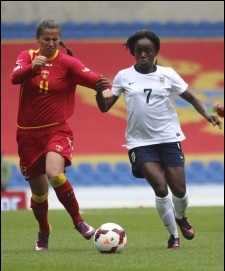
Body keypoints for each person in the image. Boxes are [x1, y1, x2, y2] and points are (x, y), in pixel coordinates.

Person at [96, 30, 222, 250]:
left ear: (156, 53)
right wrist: (99, 93)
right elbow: (105, 107)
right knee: (161, 188)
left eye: (148, 51)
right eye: (138, 52)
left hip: (168, 138)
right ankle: (173, 236)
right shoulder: (124, 76)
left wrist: (206, 114)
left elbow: (191, 97)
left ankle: (181, 217)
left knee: (179, 191)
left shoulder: (168, 74)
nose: (143, 55)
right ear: (133, 54)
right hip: (140, 142)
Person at [10, 19, 110, 251]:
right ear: (38, 40)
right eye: (47, 39)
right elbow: (14, 78)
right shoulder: (27, 56)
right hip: (27, 136)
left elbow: (96, 81)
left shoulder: (68, 64)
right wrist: (33, 68)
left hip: (57, 130)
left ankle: (79, 221)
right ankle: (44, 230)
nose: (51, 43)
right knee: (39, 192)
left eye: (55, 39)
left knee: (54, 173)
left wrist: (106, 88)